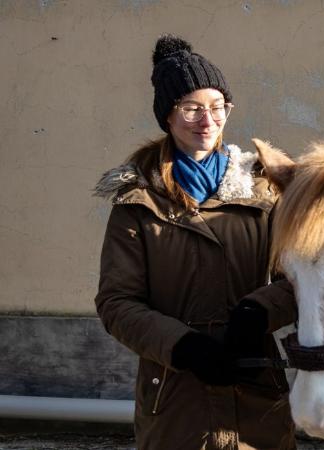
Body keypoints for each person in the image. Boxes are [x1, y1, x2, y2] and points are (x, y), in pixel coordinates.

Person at [93, 35, 297, 450]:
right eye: (191, 109)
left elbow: (299, 278)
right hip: (174, 398)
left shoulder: (264, 191)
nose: (207, 120)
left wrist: (257, 312)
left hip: (255, 391)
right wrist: (183, 346)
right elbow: (117, 303)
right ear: (167, 116)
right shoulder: (138, 202)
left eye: (217, 107)